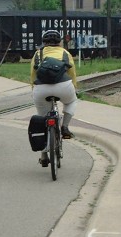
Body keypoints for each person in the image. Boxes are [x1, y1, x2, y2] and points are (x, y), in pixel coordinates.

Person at [30, 29, 78, 166]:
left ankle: (44, 156)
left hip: (41, 89)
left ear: (43, 42)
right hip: (63, 86)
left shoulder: (37, 54)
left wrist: (34, 90)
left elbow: (33, 75)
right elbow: (72, 72)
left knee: (43, 120)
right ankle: (65, 127)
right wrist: (74, 87)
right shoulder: (65, 53)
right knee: (72, 101)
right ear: (60, 42)